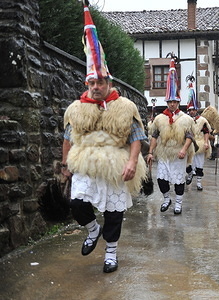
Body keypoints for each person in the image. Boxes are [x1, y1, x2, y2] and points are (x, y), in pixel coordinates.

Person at [61, 1, 147, 274]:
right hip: (85, 163)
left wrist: (133, 162)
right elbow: (68, 136)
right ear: (87, 84)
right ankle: (91, 229)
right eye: (92, 83)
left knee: (114, 212)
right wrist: (65, 165)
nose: (96, 87)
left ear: (109, 82)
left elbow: (136, 135)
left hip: (116, 164)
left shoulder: (125, 106)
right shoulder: (76, 108)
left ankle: (111, 253)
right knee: (77, 204)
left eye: (100, 82)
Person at [147, 54, 195, 214]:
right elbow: (154, 135)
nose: (172, 104)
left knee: (179, 180)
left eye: (174, 101)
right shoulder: (159, 119)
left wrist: (184, 150)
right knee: (161, 179)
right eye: (169, 102)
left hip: (178, 153)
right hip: (164, 153)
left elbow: (190, 136)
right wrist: (150, 152)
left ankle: (179, 203)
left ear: (178, 102)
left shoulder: (186, 119)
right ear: (166, 102)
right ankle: (167, 198)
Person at [185, 101, 212, 191]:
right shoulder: (185, 119)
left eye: (193, 110)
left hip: (199, 143)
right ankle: (190, 174)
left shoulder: (202, 120)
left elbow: (206, 132)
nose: (192, 111)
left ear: (196, 110)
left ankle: (199, 183)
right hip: (188, 143)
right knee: (187, 163)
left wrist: (206, 142)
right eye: (190, 110)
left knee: (199, 164)